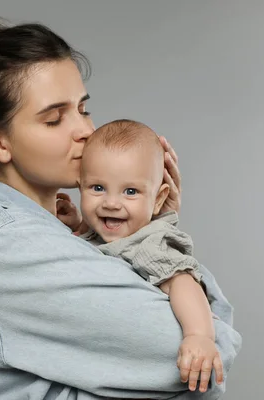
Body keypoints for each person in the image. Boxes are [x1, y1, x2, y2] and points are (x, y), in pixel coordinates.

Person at [0, 15, 242, 400]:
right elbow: (211, 350)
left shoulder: (63, 233)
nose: (85, 130)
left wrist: (152, 229)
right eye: (54, 119)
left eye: (83, 109)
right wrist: (160, 242)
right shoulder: (12, 247)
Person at [56, 119, 223, 391]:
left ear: (158, 199)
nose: (111, 202)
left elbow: (182, 282)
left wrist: (199, 335)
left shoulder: (148, 244)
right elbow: (100, 247)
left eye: (130, 191)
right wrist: (78, 225)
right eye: (97, 188)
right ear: (80, 186)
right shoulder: (108, 232)